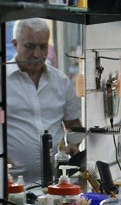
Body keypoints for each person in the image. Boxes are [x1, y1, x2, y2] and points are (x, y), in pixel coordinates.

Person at [6, 18, 82, 184]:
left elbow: (73, 124)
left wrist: (74, 144)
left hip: (56, 183)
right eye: (30, 46)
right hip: (11, 184)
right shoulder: (2, 81)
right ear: (15, 44)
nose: (37, 54)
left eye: (42, 46)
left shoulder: (61, 81)